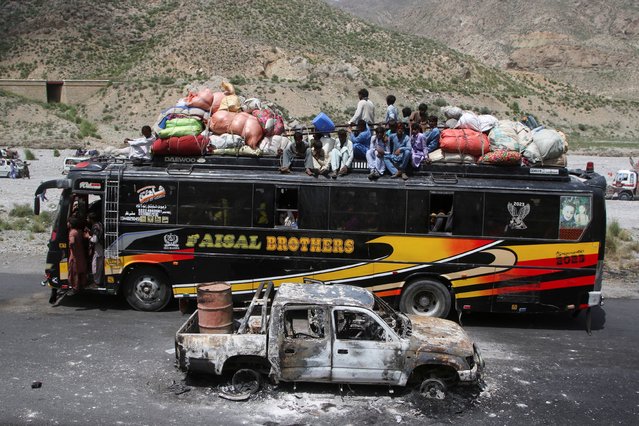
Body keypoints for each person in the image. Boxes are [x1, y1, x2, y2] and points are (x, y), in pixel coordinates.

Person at [67, 216, 88, 295]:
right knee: (81, 269)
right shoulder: (79, 231)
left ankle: (75, 287)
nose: (67, 223)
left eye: (68, 222)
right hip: (81, 253)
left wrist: (71, 247)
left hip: (74, 254)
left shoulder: (72, 232)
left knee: (74, 272)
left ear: (71, 224)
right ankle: (83, 284)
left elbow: (72, 242)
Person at [85, 212, 104, 288]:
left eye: (88, 218)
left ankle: (97, 282)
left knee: (95, 266)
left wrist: (88, 237)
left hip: (98, 249)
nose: (87, 219)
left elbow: (95, 239)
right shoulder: (99, 224)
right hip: (100, 248)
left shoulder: (96, 226)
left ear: (91, 219)